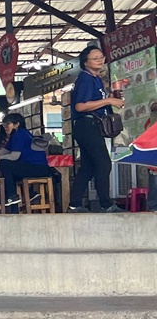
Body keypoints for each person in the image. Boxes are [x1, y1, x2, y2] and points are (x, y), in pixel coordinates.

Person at [69, 46, 125, 213]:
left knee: (88, 167)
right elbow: (80, 106)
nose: (100, 60)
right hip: (87, 125)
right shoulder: (85, 79)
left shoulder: (96, 79)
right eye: (95, 58)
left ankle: (74, 204)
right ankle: (106, 204)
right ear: (85, 62)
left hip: (90, 126)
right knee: (103, 163)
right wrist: (108, 101)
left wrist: (113, 101)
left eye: (101, 57)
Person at [0, 113, 53, 210]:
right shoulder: (19, 134)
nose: (5, 127)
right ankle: (27, 195)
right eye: (4, 125)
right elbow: (5, 151)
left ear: (16, 124)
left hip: (37, 168)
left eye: (8, 124)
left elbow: (14, 156)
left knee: (4, 164)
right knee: (9, 170)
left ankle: (12, 196)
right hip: (33, 167)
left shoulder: (19, 134)